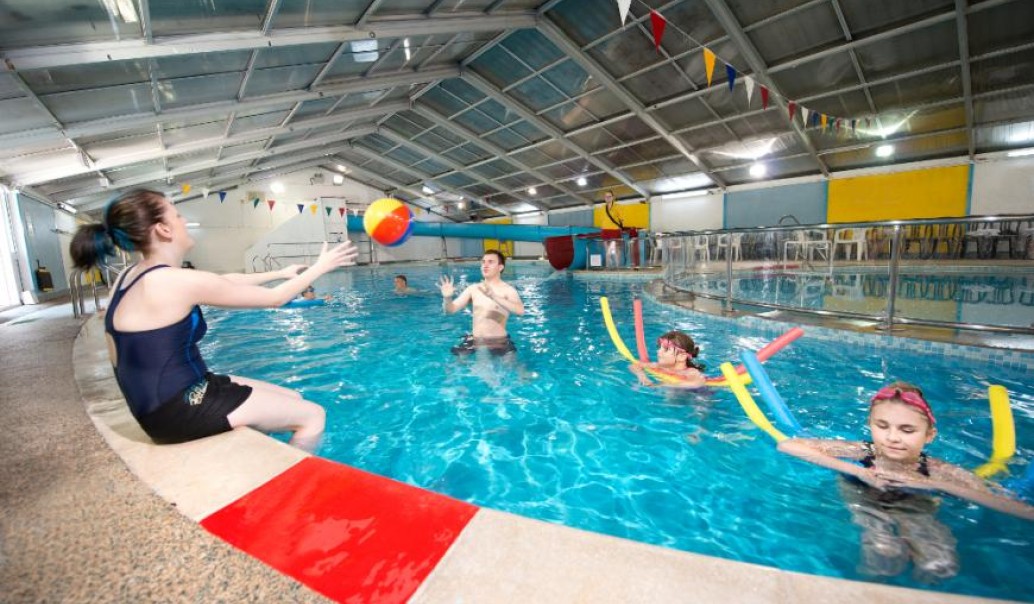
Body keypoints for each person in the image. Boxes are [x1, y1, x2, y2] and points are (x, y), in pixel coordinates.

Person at [69, 189, 358, 451]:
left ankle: (259, 456)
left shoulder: (132, 276)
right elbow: (275, 299)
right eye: (178, 215)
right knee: (313, 415)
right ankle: (293, 489)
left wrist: (279, 273)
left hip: (167, 398)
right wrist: (322, 267)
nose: (184, 221)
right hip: (177, 409)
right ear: (164, 229)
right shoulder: (170, 282)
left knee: (292, 398)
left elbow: (220, 280)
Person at [778, 383, 1034, 582]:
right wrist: (858, 472)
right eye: (882, 426)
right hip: (864, 500)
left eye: (907, 430)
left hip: (916, 504)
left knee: (939, 562)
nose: (892, 438)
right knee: (882, 554)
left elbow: (1016, 508)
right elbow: (788, 445)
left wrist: (938, 485)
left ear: (929, 435)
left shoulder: (936, 469)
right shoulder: (862, 452)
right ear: (870, 425)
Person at [437, 250, 525, 355]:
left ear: (500, 267)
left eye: (490, 262)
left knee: (513, 367)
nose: (485, 265)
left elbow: (520, 311)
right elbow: (450, 310)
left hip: (499, 341)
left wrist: (494, 296)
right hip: (475, 340)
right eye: (483, 262)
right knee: (455, 366)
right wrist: (447, 298)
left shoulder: (508, 290)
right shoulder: (473, 289)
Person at [629, 330, 706, 389]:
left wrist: (663, 384)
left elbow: (698, 382)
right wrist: (643, 377)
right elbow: (635, 365)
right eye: (659, 348)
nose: (658, 351)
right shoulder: (659, 366)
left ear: (682, 356)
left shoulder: (690, 372)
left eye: (665, 349)